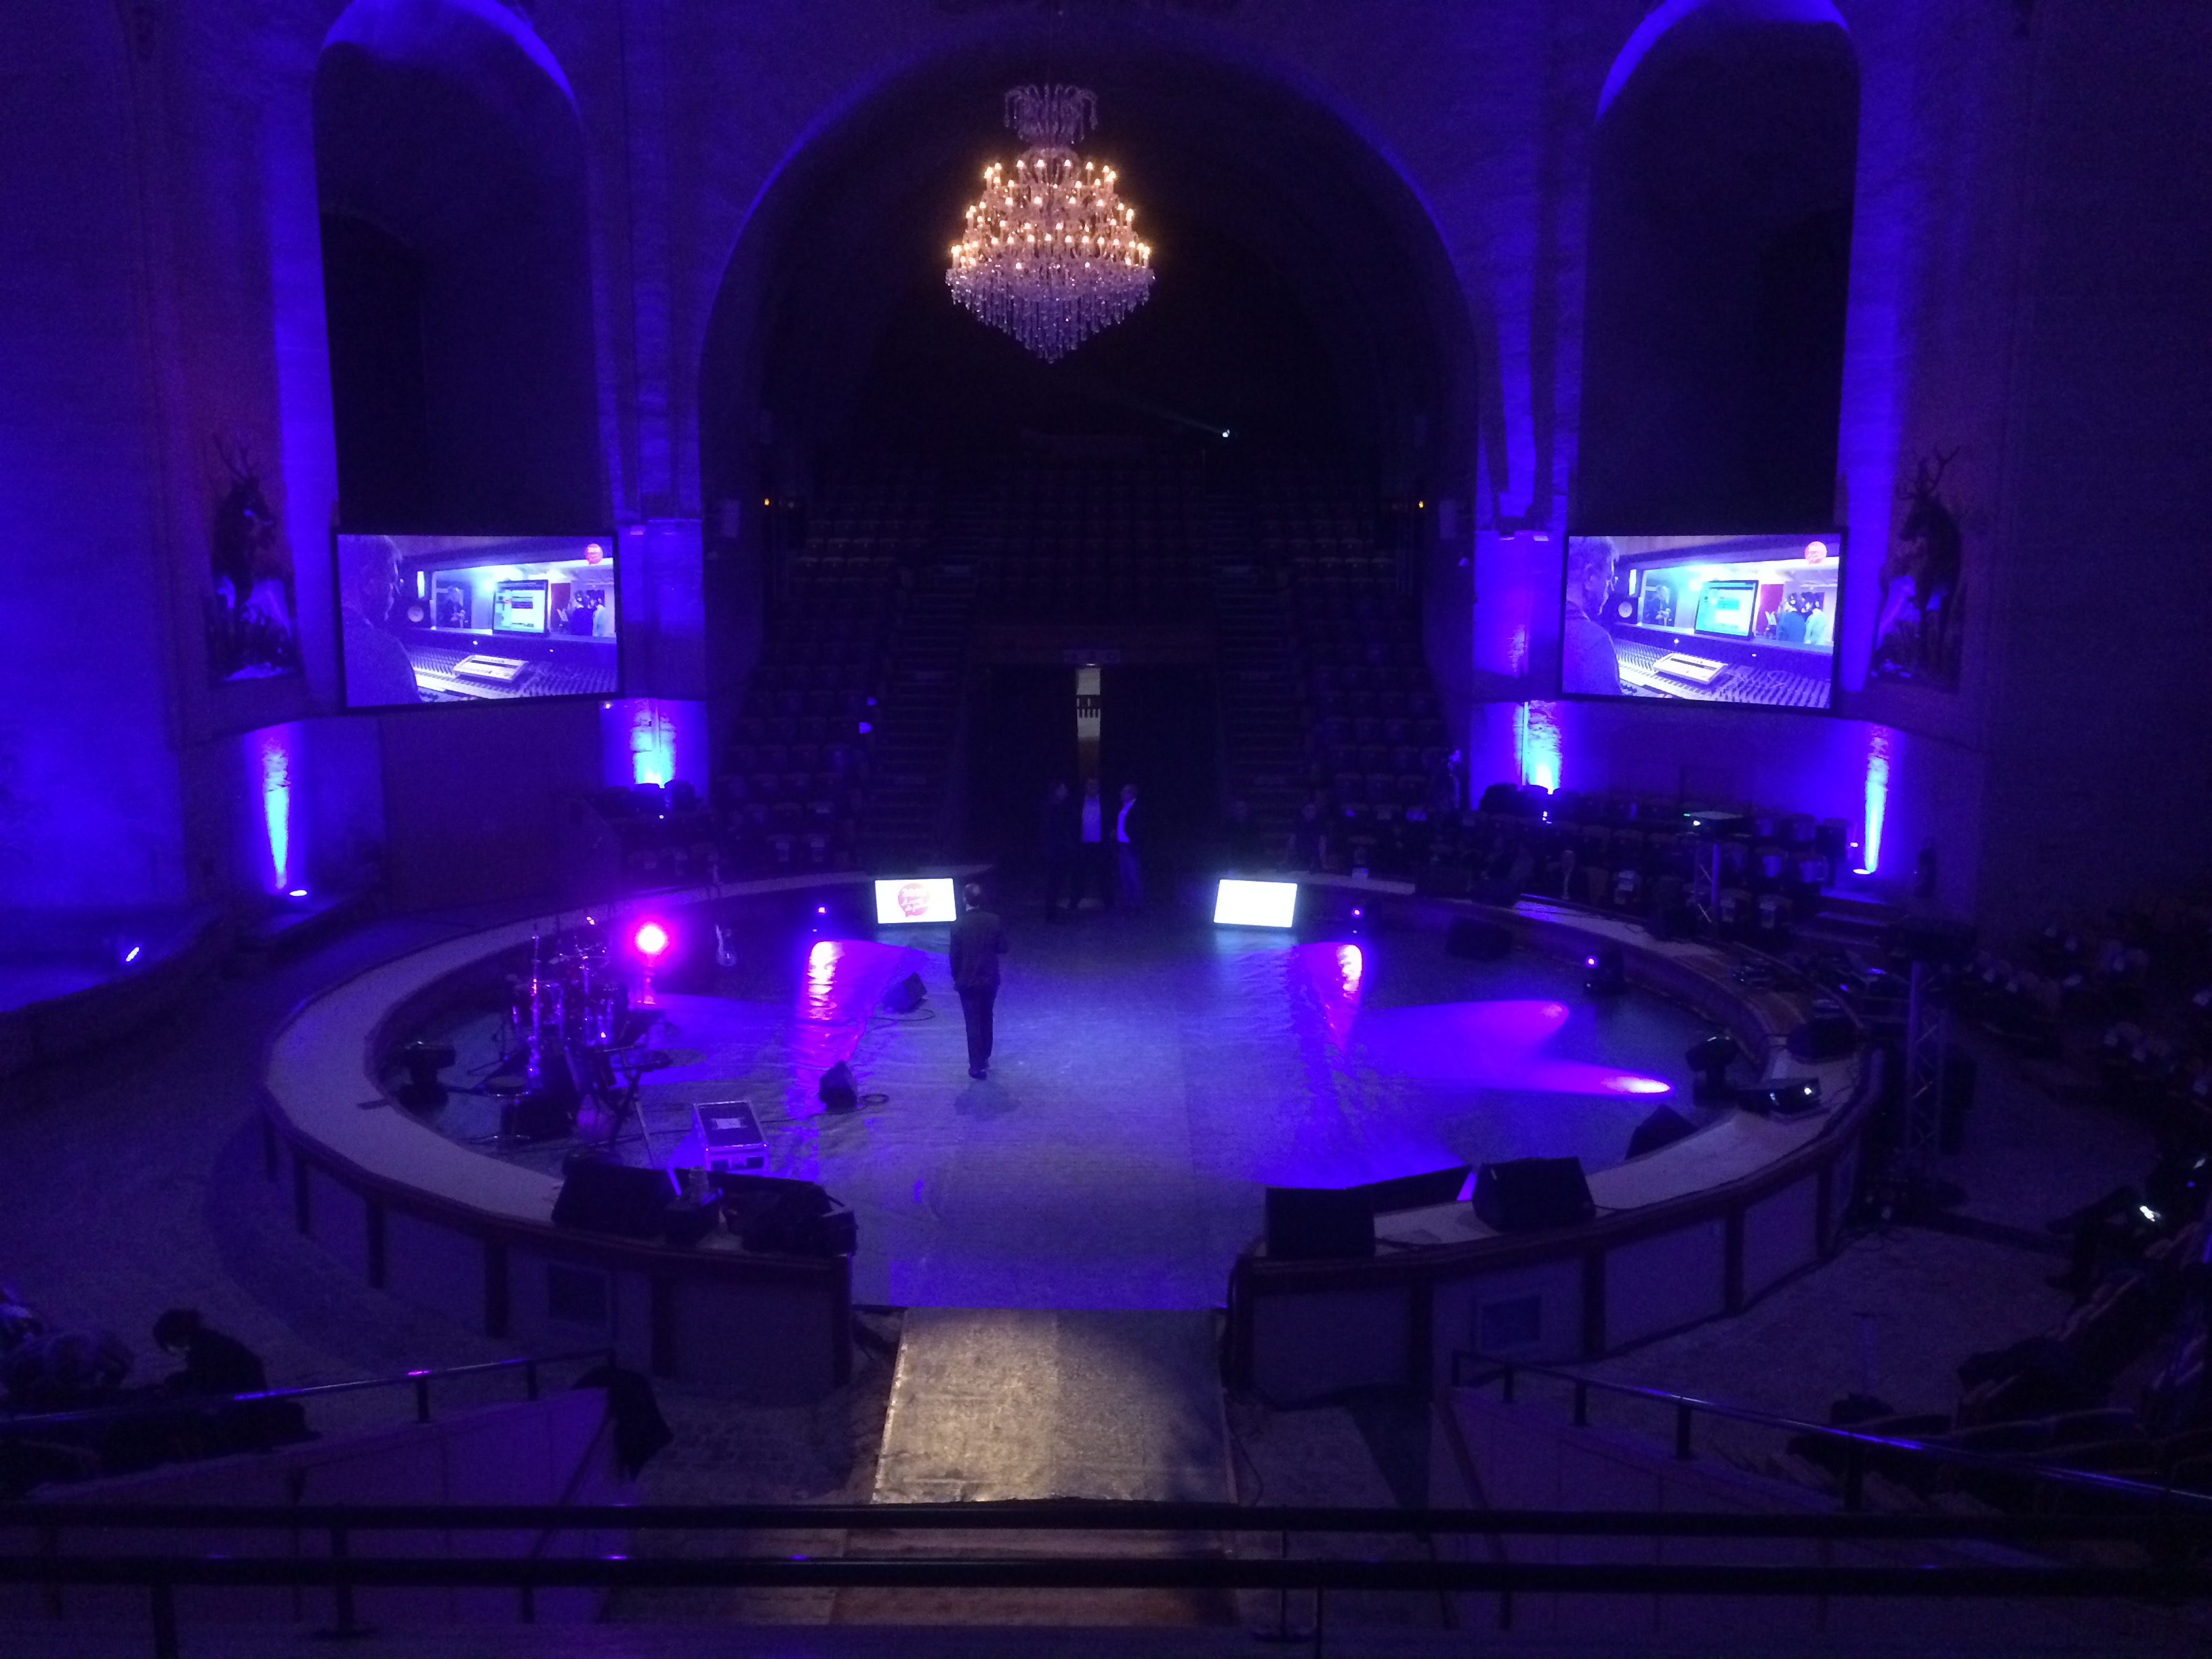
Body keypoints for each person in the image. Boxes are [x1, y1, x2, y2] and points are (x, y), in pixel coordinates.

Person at [339, 535, 422, 705]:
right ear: (369, 581)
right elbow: (416, 720)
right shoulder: (384, 649)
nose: (396, 593)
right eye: (392, 581)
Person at [947, 881, 1008, 1079]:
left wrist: (957, 977)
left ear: (964, 899)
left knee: (972, 1022)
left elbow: (954, 956)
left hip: (968, 981)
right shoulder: (994, 920)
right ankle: (986, 1056)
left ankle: (977, 1065)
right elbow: (1004, 948)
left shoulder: (958, 924)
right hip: (990, 979)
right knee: (986, 1017)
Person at [152, 1308, 267, 1398]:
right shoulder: (210, 1343)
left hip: (241, 1404)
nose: (173, 1349)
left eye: (171, 1344)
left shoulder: (205, 1350)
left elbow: (208, 1380)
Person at [1561, 536, 1622, 695]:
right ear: (1590, 577)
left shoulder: (1545, 620)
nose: (1611, 588)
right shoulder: (1595, 642)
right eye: (1609, 578)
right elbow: (1613, 715)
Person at [1040, 779, 1077, 920]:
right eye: (1063, 789)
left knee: (1056, 882)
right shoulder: (1053, 809)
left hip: (1058, 851)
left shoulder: (1058, 807)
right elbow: (1054, 832)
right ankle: (1050, 913)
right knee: (1054, 882)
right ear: (1057, 791)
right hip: (1056, 852)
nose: (1066, 792)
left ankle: (1052, 910)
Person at [1075, 777, 1109, 911]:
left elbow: (1110, 820)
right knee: (1079, 875)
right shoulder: (1078, 802)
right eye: (1090, 784)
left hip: (1100, 845)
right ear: (1085, 787)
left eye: (1095, 784)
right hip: (1083, 845)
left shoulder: (1105, 801)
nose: (1092, 787)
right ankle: (1074, 901)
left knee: (1104, 875)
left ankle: (1109, 902)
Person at [1113, 782, 1143, 912]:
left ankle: (1136, 905)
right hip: (1122, 845)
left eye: (1124, 792)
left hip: (1130, 846)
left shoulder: (1137, 808)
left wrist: (1132, 840)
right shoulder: (1125, 807)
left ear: (1131, 794)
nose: (1121, 794)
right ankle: (1128, 903)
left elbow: (1138, 828)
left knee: (1133, 876)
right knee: (1125, 875)